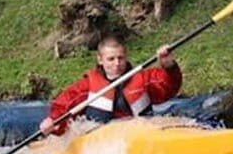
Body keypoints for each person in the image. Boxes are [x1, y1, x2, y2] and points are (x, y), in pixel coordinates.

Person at [39, 34, 182, 135]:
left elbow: (170, 86)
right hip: (101, 140)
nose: (117, 63)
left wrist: (169, 66)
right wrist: (52, 120)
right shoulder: (87, 85)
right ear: (100, 60)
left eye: (120, 58)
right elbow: (65, 103)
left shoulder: (143, 78)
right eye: (111, 59)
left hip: (139, 133)